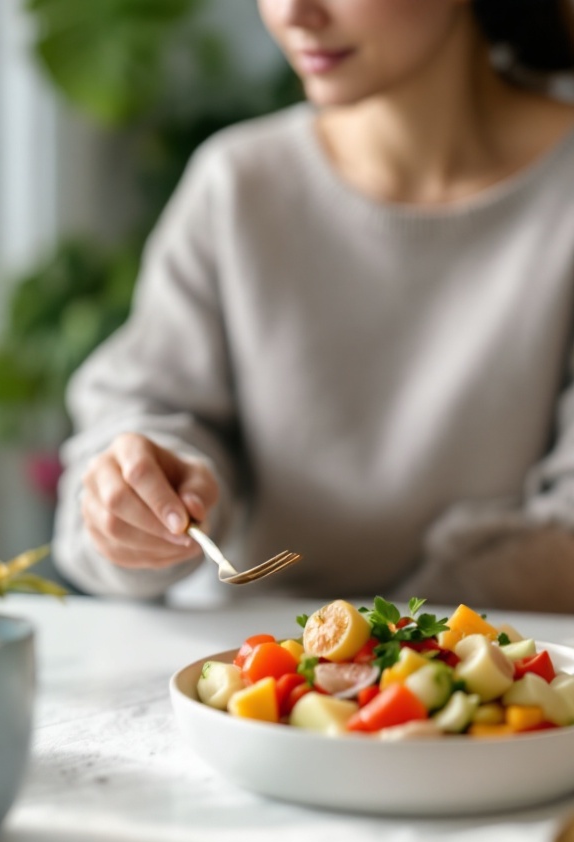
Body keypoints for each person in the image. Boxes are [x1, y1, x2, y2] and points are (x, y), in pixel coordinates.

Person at [52, 0, 574, 612]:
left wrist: (378, 653)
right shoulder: (239, 184)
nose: (293, 13)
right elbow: (141, 414)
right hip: (251, 683)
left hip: (508, 677)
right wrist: (144, 503)